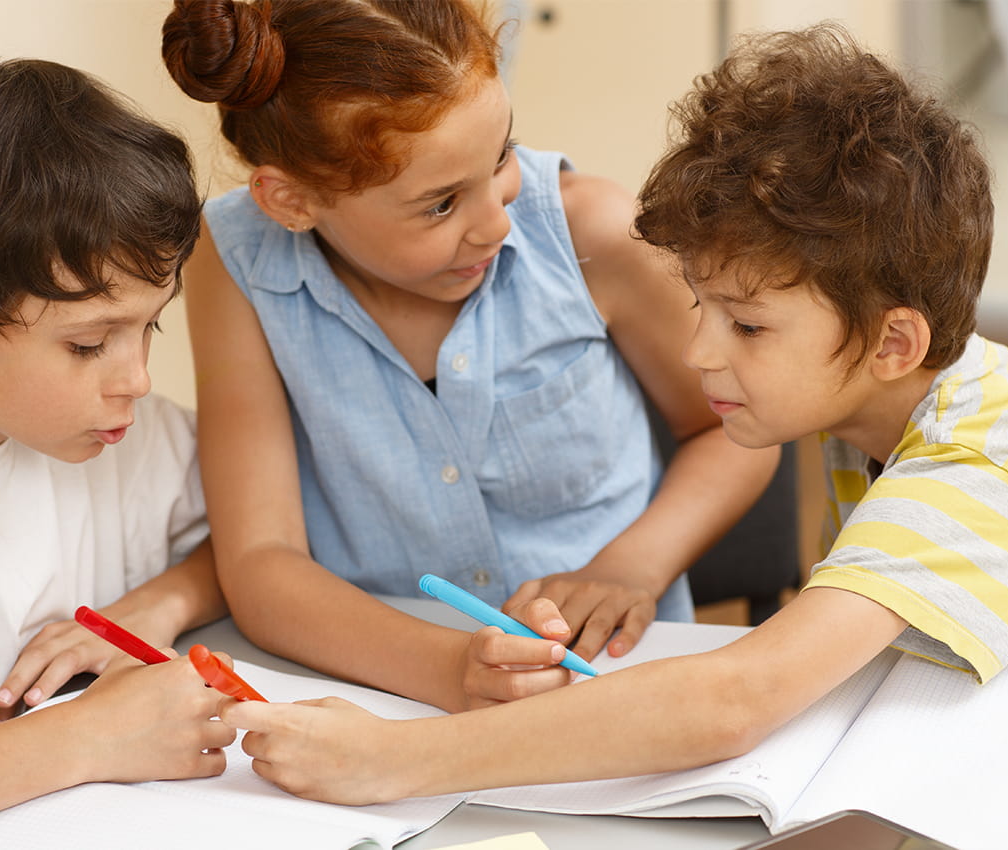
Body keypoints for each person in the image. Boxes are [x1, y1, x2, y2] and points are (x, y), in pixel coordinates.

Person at [210, 22, 1008, 803]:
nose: (699, 354)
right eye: (700, 307)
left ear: (893, 345)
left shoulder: (972, 466)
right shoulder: (878, 414)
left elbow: (736, 699)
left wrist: (398, 758)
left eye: (746, 325)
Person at [160, 0, 777, 713]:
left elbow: (731, 433)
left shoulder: (596, 233)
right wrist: (452, 670)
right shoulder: (234, 262)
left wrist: (630, 569)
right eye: (441, 205)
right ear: (291, 201)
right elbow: (262, 564)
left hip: (611, 683)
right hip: (385, 694)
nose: (496, 221)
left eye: (502, 157)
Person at [0, 59, 234, 845]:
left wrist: (150, 608)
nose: (135, 379)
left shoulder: (108, 433)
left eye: (150, 327)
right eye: (88, 344)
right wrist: (95, 736)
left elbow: (243, 529)